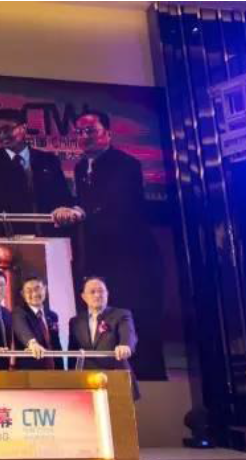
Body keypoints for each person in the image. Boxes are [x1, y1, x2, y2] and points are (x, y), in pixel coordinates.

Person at [73, 110, 166, 378]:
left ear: (108, 133)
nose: (84, 137)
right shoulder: (80, 167)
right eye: (79, 132)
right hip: (101, 258)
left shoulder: (126, 165)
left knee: (138, 319)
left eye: (91, 131)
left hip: (133, 258)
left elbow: (118, 205)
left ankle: (151, 379)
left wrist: (82, 211)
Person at [68, 276, 140, 460]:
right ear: (83, 296)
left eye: (101, 291)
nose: (97, 295)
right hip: (87, 390)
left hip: (116, 386)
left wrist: (125, 346)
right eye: (92, 291)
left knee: (120, 445)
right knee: (89, 445)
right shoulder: (75, 321)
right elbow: (73, 352)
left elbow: (129, 336)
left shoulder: (121, 315)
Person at [0, 108, 83, 234]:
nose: (2, 135)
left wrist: (65, 209)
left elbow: (63, 196)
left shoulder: (48, 160)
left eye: (7, 129)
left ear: (24, 128)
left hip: (48, 232)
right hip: (8, 236)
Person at [12, 275, 63, 370]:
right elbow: (22, 330)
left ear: (45, 289)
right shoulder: (18, 313)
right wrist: (32, 343)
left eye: (37, 289)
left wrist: (61, 369)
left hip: (54, 369)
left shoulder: (52, 315)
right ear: (23, 294)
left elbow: (56, 345)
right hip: (30, 371)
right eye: (29, 291)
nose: (35, 294)